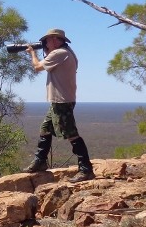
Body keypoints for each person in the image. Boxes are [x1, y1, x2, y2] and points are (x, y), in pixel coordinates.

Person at [23, 28, 96, 182]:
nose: (45, 43)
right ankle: (40, 161)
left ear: (56, 40)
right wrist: (46, 50)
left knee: (71, 134)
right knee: (46, 129)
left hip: (61, 101)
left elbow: (37, 67)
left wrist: (32, 53)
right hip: (60, 100)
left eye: (47, 40)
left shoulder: (59, 53)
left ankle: (86, 169)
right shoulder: (67, 52)